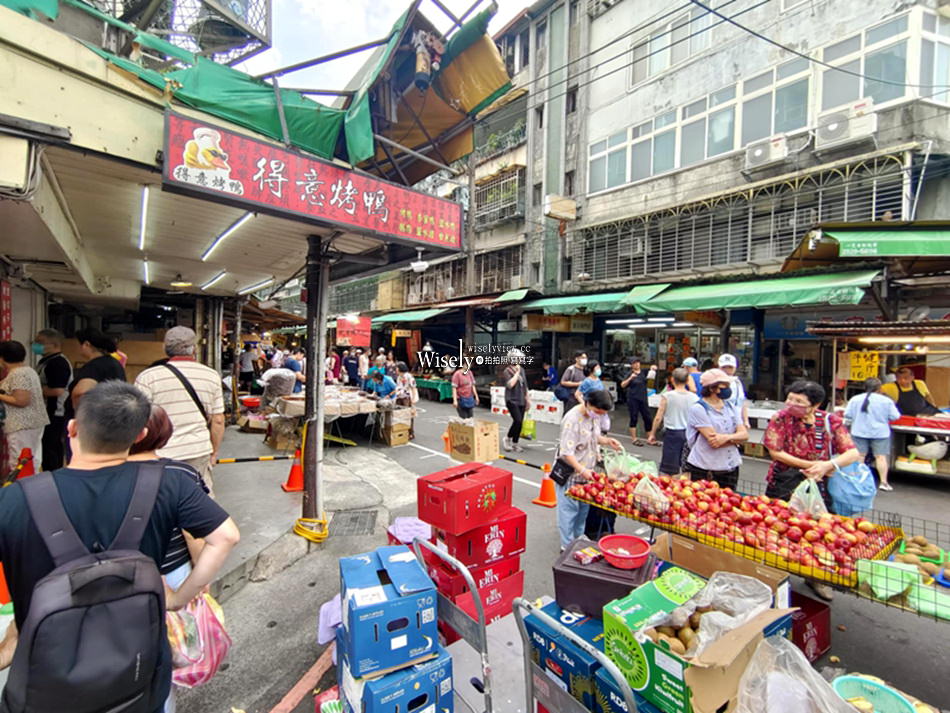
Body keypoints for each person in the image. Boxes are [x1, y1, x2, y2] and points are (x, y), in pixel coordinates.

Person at [0, 381, 239, 712]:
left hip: (46, 677)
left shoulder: (14, 498)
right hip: (138, 671)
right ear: (140, 435)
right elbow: (226, 536)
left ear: (71, 428)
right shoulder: (170, 483)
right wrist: (180, 596)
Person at [763, 380, 860, 601]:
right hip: (785, 481)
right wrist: (810, 466)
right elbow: (775, 451)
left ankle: (816, 577)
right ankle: (776, 575)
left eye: (799, 401)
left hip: (820, 484)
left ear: (815, 405)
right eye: (790, 398)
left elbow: (852, 453)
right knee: (778, 528)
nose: (791, 403)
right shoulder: (780, 418)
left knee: (819, 532)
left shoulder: (830, 422)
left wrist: (827, 466)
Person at [127, 405, 209, 594]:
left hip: (117, 575)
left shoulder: (101, 475)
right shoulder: (179, 473)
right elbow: (193, 533)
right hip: (171, 573)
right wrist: (201, 578)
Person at [134, 327, 226, 496]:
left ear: (165, 348)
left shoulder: (148, 377)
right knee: (198, 498)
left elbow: (138, 419)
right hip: (197, 449)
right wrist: (214, 451)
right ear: (194, 349)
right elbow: (218, 420)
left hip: (160, 453)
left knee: (161, 498)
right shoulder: (211, 375)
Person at [555, 389, 622, 550]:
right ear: (587, 402)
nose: (598, 415)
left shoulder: (594, 416)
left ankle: (579, 537)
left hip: (588, 473)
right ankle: (567, 545)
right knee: (568, 511)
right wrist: (581, 470)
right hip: (570, 474)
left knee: (583, 510)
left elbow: (593, 437)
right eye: (597, 411)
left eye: (602, 413)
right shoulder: (572, 419)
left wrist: (606, 441)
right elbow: (566, 452)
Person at [684, 368, 748, 490]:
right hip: (706, 467)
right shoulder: (699, 409)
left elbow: (744, 435)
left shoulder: (731, 407)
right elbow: (714, 441)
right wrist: (736, 440)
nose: (727, 389)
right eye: (724, 386)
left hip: (730, 466)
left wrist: (726, 438)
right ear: (713, 388)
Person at [0, 341, 49, 475]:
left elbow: (21, 400)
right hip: (32, 424)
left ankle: (23, 492)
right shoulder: (27, 370)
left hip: (23, 425)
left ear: (3, 357)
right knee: (31, 461)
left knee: (20, 463)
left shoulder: (18, 374)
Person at [845, 377, 900, 491]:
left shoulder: (855, 399)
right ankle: (883, 483)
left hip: (859, 431)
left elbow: (848, 414)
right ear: (879, 388)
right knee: (880, 457)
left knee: (860, 456)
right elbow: (895, 416)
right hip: (880, 433)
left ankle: (858, 479)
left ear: (864, 387)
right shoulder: (886, 401)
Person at [32, 329, 72, 470]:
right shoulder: (46, 361)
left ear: (54, 344)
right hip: (45, 412)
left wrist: (32, 390)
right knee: (47, 447)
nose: (35, 345)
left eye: (40, 342)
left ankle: (53, 475)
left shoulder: (58, 363)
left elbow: (57, 390)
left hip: (54, 412)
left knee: (51, 447)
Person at [66, 328, 126, 421]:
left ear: (86, 344)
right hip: (112, 418)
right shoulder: (114, 363)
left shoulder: (94, 366)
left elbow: (81, 392)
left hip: (92, 422)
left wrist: (78, 414)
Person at [647, 367, 698, 475]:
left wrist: (652, 433)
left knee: (670, 469)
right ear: (687, 380)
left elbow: (658, 417)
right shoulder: (695, 398)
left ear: (672, 380)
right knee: (687, 467)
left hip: (672, 434)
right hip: (689, 434)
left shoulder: (667, 396)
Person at [621, 356, 654, 446]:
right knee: (634, 417)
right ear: (631, 365)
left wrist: (653, 368)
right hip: (633, 398)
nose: (637, 364)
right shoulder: (629, 374)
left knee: (647, 417)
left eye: (638, 362)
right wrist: (630, 378)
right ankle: (634, 438)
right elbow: (622, 385)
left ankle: (650, 437)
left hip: (643, 398)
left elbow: (652, 369)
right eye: (634, 363)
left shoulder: (643, 372)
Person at [503, 353, 528, 452]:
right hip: (511, 399)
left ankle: (515, 443)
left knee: (520, 423)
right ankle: (507, 438)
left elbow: (525, 386)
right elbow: (510, 385)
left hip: (521, 399)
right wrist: (517, 373)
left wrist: (528, 399)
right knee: (517, 420)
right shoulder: (507, 371)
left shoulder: (522, 370)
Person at [717, 353, 750, 429]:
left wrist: (745, 421)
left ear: (735, 368)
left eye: (730, 367)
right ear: (719, 367)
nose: (727, 370)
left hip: (737, 422)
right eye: (724, 367)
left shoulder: (737, 382)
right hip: (722, 423)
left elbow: (742, 403)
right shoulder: (716, 383)